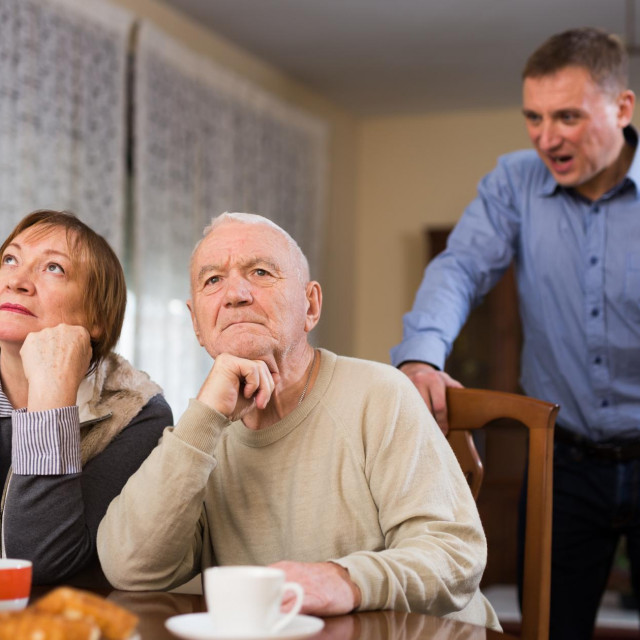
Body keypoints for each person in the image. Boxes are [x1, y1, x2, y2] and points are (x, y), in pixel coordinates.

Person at [97, 212, 500, 630]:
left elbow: (455, 553)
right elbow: (130, 569)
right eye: (212, 280)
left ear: (311, 305)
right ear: (197, 323)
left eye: (260, 271)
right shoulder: (201, 433)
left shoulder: (381, 393)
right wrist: (204, 418)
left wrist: (346, 580)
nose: (235, 293)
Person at [391, 27, 640, 639]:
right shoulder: (514, 182)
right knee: (549, 629)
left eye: (568, 117)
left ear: (623, 108)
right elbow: (461, 267)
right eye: (533, 116)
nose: (546, 137)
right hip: (563, 460)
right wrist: (422, 357)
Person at [0, 209, 172, 586]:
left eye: (54, 268)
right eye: (10, 259)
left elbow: (40, 561)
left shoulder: (139, 414)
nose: (16, 281)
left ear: (96, 318)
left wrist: (50, 396)